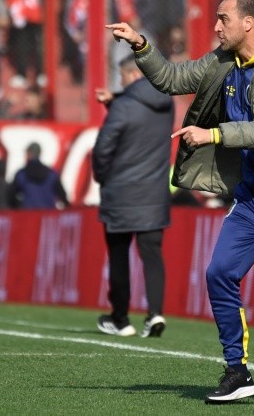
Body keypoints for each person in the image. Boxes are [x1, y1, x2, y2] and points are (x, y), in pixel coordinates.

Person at [105, 0, 254, 407]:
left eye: (222, 19)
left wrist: (212, 134)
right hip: (253, 199)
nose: (216, 27)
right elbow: (173, 79)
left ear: (248, 24)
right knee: (219, 273)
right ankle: (238, 371)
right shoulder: (223, 61)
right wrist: (141, 44)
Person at [92, 54, 174, 338]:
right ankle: (155, 314)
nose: (121, 80)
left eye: (123, 76)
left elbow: (103, 148)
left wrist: (102, 177)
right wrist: (116, 99)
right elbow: (142, 107)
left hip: (121, 193)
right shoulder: (167, 103)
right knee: (152, 256)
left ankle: (120, 318)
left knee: (119, 256)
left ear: (134, 75)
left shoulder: (124, 107)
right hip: (154, 194)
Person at [7, 142, 70, 210]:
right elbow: (63, 197)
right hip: (48, 217)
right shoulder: (52, 174)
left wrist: (18, 206)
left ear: (29, 153)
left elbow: (10, 196)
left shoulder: (21, 174)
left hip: (27, 216)